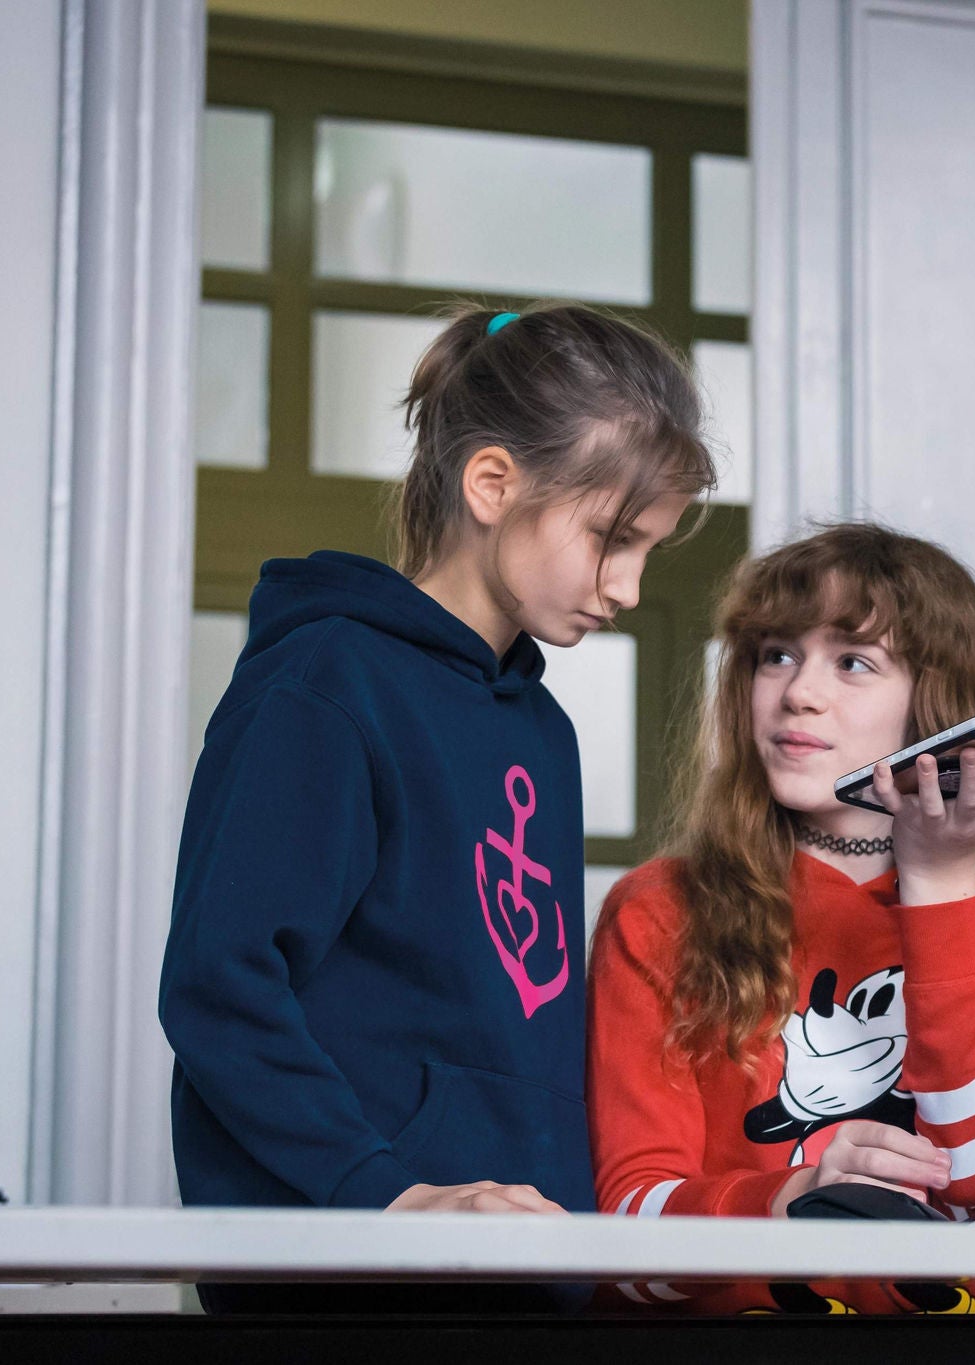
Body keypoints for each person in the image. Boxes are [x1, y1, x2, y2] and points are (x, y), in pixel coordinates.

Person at [160, 303, 714, 1234]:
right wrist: (386, 1194)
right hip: (356, 1263)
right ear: (492, 483)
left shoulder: (544, 728)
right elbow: (221, 985)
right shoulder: (327, 684)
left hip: (518, 1260)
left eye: (646, 551)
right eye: (612, 540)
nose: (629, 589)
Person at [588, 522, 975, 1314]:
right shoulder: (660, 909)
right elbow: (629, 1243)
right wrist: (788, 1194)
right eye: (777, 654)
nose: (799, 690)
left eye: (854, 661)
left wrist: (939, 882)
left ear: (933, 704)